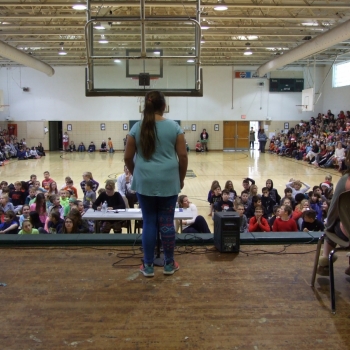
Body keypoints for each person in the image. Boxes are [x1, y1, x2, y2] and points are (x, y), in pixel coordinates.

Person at [124, 90, 188, 277]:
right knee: (167, 221)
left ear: (146, 106)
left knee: (149, 221)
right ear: (164, 106)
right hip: (169, 179)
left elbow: (128, 157)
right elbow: (183, 157)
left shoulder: (137, 127)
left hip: (145, 181)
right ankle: (169, 264)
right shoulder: (175, 127)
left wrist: (138, 173)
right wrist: (181, 178)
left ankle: (149, 266)